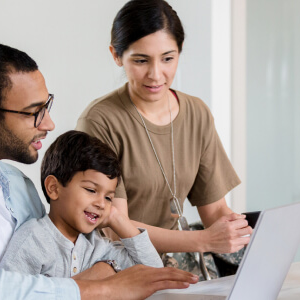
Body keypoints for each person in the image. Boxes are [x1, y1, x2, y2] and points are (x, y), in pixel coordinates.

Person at [0, 43, 197, 300]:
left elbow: (64, 264)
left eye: (47, 107)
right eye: (33, 113)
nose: (49, 124)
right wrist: (107, 287)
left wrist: (107, 268)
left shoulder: (18, 185)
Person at [75, 0, 252, 278]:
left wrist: (241, 235)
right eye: (141, 60)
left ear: (180, 52)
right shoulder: (100, 121)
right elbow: (115, 225)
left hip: (175, 264)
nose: (156, 75)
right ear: (116, 55)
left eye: (168, 58)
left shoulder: (196, 113)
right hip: (117, 267)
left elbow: (215, 210)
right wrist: (204, 240)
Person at [1, 130, 163, 277]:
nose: (101, 204)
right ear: (54, 188)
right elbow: (9, 294)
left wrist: (117, 218)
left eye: (108, 197)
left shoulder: (98, 245)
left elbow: (152, 272)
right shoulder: (33, 240)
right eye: (91, 190)